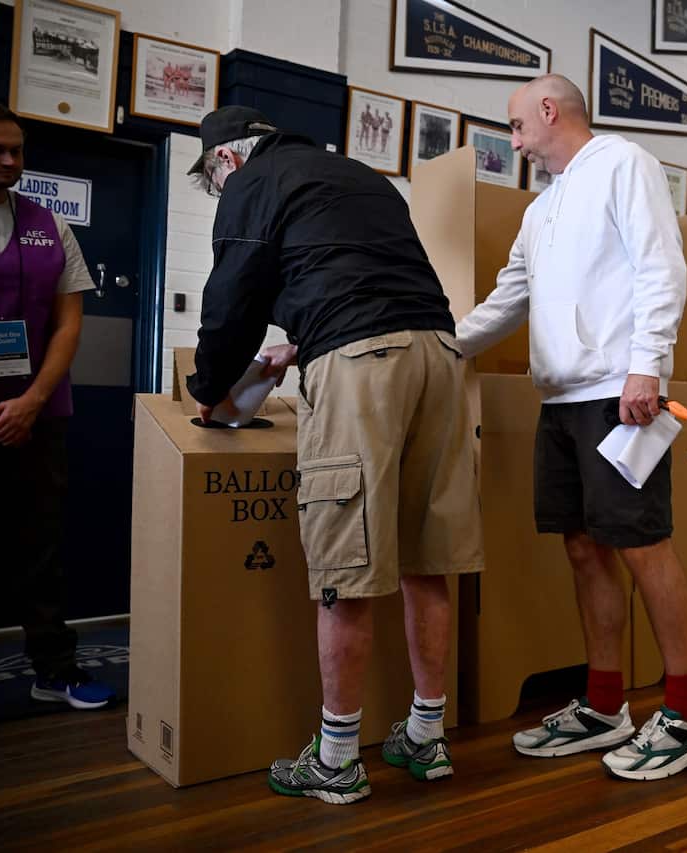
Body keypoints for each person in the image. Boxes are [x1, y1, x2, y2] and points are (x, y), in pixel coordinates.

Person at [186, 105, 484, 804]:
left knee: (343, 564)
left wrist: (209, 389)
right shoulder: (357, 172)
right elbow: (360, 274)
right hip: (441, 355)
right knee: (427, 558)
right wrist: (303, 339)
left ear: (226, 158)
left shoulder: (250, 182)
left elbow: (232, 301)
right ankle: (426, 736)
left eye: (215, 181)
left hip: (362, 365)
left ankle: (338, 759)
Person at [456, 74, 687, 781]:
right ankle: (606, 705)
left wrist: (647, 366)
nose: (514, 142)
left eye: (517, 126)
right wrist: (442, 346)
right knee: (582, 547)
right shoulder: (540, 209)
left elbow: (661, 266)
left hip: (618, 392)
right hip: (560, 399)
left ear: (549, 110)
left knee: (642, 544)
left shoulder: (624, 163)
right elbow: (510, 296)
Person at [0, 101, 114, 710]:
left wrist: (31, 401)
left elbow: (68, 324)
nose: (10, 161)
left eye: (17, 150)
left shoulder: (50, 225)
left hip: (39, 415)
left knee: (40, 548)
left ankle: (54, 670)